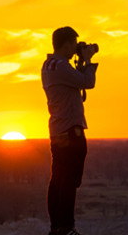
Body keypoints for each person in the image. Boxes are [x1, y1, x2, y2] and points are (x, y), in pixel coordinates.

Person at [42, 26, 98, 235]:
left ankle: (57, 227)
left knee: (57, 179)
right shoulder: (61, 67)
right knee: (68, 181)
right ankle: (67, 227)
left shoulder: (49, 65)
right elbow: (88, 82)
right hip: (70, 130)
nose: (76, 47)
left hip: (57, 130)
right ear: (65, 44)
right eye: (74, 44)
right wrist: (89, 61)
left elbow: (75, 82)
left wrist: (80, 62)